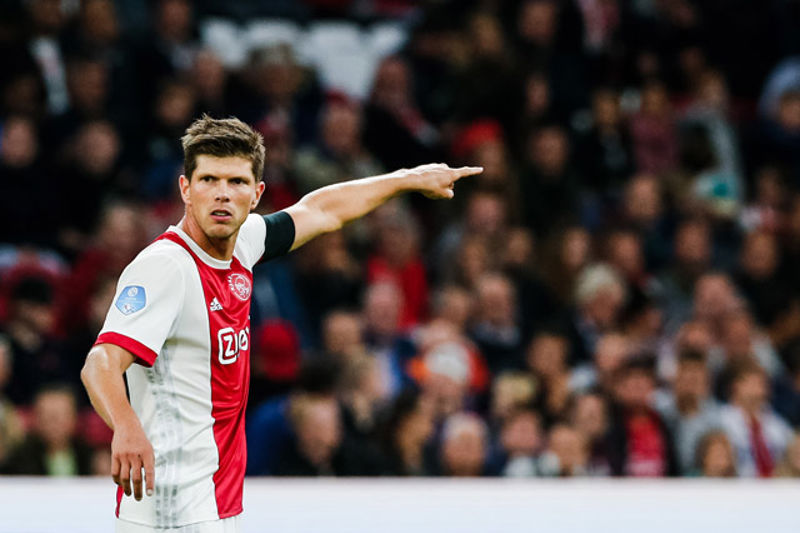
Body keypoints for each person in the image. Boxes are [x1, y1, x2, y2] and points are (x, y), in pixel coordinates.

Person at [80, 115, 482, 532]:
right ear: (186, 188)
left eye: (236, 182)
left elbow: (322, 210)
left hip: (215, 503)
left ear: (256, 194)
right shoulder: (166, 268)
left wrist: (407, 178)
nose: (222, 194)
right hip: (169, 507)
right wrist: (126, 427)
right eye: (209, 180)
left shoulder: (243, 243)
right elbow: (101, 362)